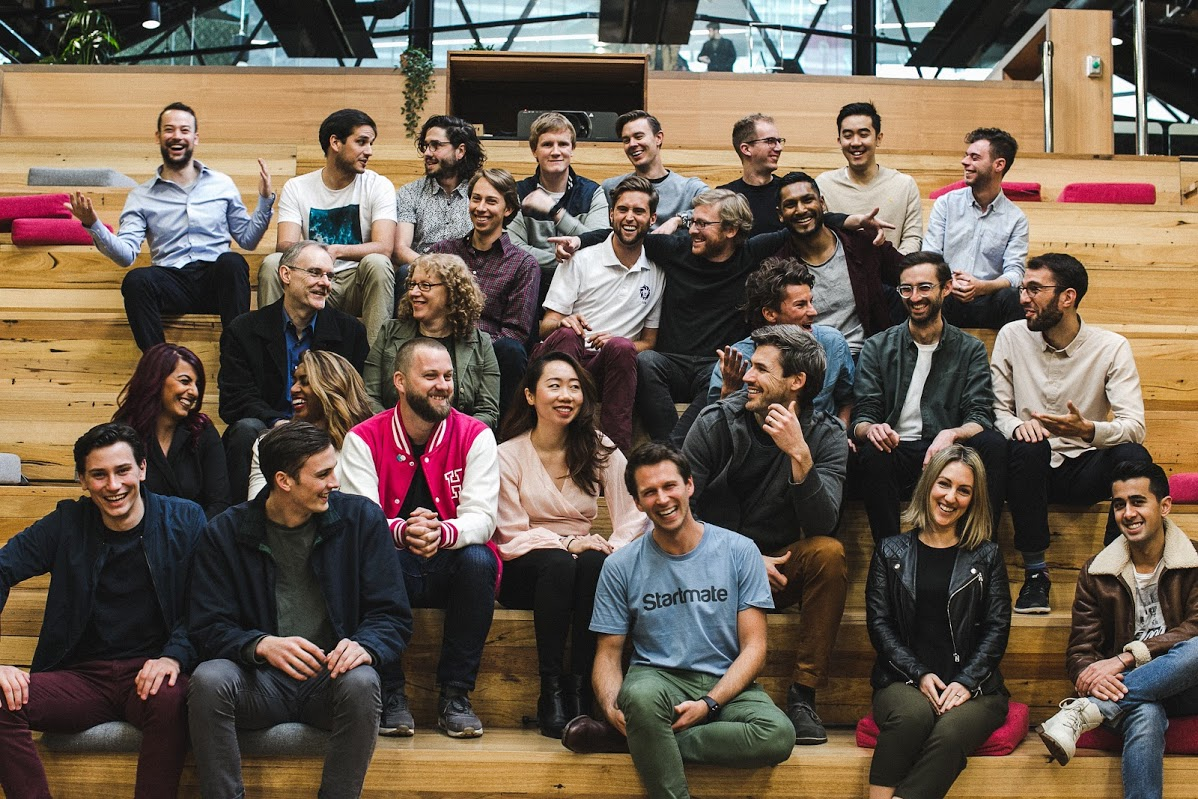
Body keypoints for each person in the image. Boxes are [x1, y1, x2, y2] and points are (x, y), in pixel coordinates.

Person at [187, 421, 412, 799]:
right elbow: (207, 625)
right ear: (284, 480)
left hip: (331, 679)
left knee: (363, 681)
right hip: (259, 681)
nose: (335, 483)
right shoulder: (224, 532)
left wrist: (365, 645)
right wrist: (259, 645)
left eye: (333, 470)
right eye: (322, 474)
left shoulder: (362, 519)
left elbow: (392, 614)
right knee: (209, 680)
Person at [563, 443, 795, 799]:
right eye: (649, 492)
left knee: (777, 735)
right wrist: (610, 709)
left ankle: (645, 741)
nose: (662, 499)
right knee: (639, 698)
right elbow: (608, 653)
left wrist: (709, 703)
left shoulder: (740, 551)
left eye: (669, 486)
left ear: (689, 485)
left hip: (726, 683)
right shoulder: (620, 566)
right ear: (637, 503)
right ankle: (645, 733)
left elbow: (755, 647)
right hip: (658, 681)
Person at [0, 423, 205, 799]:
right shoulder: (66, 523)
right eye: (99, 474)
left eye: (123, 470)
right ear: (82, 480)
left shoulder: (185, 519)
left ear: (142, 469)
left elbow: (204, 602)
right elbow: (2, 568)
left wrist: (174, 657)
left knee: (173, 697)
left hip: (151, 673)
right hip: (81, 678)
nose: (113, 485)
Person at [684, 324, 848, 744]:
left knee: (829, 553)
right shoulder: (716, 422)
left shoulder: (825, 434)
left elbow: (822, 524)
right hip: (711, 568)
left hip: (779, 570)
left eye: (761, 369)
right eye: (751, 366)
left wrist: (800, 454)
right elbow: (681, 513)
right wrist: (742, 559)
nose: (748, 377)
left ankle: (803, 696)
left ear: (797, 382)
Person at [340, 338, 500, 739]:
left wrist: (441, 532)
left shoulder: (476, 435)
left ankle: (456, 696)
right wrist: (403, 530)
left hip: (450, 567)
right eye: (430, 376)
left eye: (448, 376)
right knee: (363, 557)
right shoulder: (362, 438)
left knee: (480, 559)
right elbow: (360, 519)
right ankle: (390, 692)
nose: (443, 385)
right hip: (392, 566)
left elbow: (483, 518)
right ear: (399, 381)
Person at [494, 353, 647, 737]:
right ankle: (550, 690)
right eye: (555, 386)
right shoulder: (507, 454)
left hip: (582, 568)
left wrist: (612, 547)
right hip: (525, 566)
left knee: (596, 562)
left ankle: (580, 689)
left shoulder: (597, 446)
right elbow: (509, 534)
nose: (567, 395)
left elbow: (635, 510)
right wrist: (567, 543)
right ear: (531, 396)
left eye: (575, 387)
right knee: (561, 563)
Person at [991, 252, 1150, 614]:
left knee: (1134, 457)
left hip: (1083, 468)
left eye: (1034, 289)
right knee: (1027, 445)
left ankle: (1110, 570)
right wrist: (1019, 425)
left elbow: (1135, 427)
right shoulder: (1011, 335)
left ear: (1067, 297)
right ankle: (1035, 574)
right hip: (1030, 469)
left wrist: (1088, 430)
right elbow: (996, 410)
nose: (1023, 298)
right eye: (1022, 289)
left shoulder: (1111, 347)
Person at [1038, 461, 1198, 799]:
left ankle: (1089, 710)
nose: (1128, 513)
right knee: (1146, 713)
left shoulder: (1195, 561)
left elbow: (1195, 627)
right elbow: (1081, 652)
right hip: (1123, 692)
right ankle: (1100, 704)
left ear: (1165, 506)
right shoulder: (1097, 572)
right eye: (1119, 504)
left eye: (1138, 501)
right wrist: (1093, 678)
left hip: (1186, 686)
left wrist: (1126, 659)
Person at [66, 101, 275, 352]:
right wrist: (93, 224)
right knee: (136, 280)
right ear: (158, 137)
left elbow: (248, 240)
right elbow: (125, 256)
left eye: (184, 130)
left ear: (195, 138)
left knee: (232, 262)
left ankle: (236, 359)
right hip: (171, 283)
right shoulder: (140, 196)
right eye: (169, 129)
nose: (177, 136)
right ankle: (160, 364)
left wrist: (264, 200)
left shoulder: (222, 184)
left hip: (216, 282)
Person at [865, 445, 1011, 799]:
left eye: (964, 490)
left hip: (976, 688)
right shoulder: (889, 551)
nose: (950, 497)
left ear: (973, 500)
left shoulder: (987, 555)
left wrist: (966, 681)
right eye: (944, 484)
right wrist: (919, 674)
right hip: (902, 681)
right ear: (928, 484)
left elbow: (996, 629)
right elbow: (880, 625)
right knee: (912, 718)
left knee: (950, 732)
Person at [851, 251, 1007, 543]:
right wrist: (872, 429)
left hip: (947, 454)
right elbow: (863, 415)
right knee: (872, 452)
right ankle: (888, 553)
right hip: (896, 450)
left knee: (993, 444)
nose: (914, 297)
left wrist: (952, 434)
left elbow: (979, 414)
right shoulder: (877, 346)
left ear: (946, 288)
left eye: (924, 287)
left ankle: (982, 549)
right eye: (906, 289)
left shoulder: (970, 349)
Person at [219, 240, 369, 503]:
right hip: (269, 427)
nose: (325, 283)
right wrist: (278, 423)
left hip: (327, 428)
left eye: (329, 276)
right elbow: (235, 399)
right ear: (286, 275)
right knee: (245, 430)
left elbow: (353, 397)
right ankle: (240, 518)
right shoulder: (244, 330)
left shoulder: (350, 331)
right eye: (315, 273)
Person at [535, 176, 664, 452]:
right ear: (611, 214)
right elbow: (545, 327)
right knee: (568, 335)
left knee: (622, 347)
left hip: (610, 366)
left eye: (639, 211)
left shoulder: (657, 271)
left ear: (652, 218)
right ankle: (560, 442)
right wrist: (563, 322)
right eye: (623, 209)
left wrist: (617, 341)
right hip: (565, 358)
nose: (629, 217)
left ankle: (614, 457)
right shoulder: (580, 259)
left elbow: (649, 342)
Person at [257, 109, 396, 344]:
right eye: (361, 142)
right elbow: (284, 244)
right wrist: (318, 260)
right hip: (310, 278)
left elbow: (384, 247)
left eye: (370, 144)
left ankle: (374, 359)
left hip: (354, 283)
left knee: (378, 263)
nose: (369, 151)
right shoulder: (297, 187)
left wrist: (335, 251)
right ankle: (272, 350)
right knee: (273, 263)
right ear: (335, 143)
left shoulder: (378, 185)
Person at [429, 168, 540, 413]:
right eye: (476, 199)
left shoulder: (523, 264)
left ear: (508, 209)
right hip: (439, 344)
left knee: (512, 351)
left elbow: (515, 333)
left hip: (489, 353)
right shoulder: (443, 251)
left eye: (491, 201)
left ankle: (501, 431)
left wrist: (471, 347)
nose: (480, 208)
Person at [763, 171, 903, 357]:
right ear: (780, 214)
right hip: (811, 361)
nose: (801, 209)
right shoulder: (778, 267)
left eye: (807, 200)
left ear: (822, 203)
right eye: (791, 204)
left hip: (867, 357)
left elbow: (908, 272)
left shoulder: (862, 244)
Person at [707, 257, 854, 429]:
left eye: (811, 302)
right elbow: (715, 425)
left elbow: (848, 399)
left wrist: (841, 433)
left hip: (818, 440)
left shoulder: (832, 343)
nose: (813, 312)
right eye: (800, 305)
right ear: (770, 314)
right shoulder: (737, 361)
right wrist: (729, 391)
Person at [364, 252, 500, 427]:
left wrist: (449, 435)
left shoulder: (480, 343)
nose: (413, 292)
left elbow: (488, 412)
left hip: (456, 440)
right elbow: (369, 398)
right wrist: (399, 430)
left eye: (425, 285)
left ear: (452, 292)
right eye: (412, 284)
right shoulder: (389, 332)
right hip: (392, 436)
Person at [112, 342, 230, 519]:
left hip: (197, 532)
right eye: (185, 381)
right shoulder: (122, 435)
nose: (195, 392)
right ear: (156, 380)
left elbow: (220, 504)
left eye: (197, 384)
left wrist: (193, 532)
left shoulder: (202, 430)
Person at [924, 128, 1027, 329]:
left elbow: (1015, 273)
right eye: (966, 155)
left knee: (1013, 297)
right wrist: (950, 282)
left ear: (999, 165)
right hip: (946, 294)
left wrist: (983, 287)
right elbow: (930, 255)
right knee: (919, 290)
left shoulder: (1016, 218)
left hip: (987, 298)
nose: (964, 162)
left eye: (974, 157)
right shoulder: (946, 204)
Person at [507, 112, 609, 302]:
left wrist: (556, 212)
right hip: (529, 290)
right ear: (534, 151)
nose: (556, 151)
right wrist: (563, 261)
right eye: (547, 144)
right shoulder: (518, 192)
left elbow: (602, 247)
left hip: (583, 292)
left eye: (563, 144)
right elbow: (513, 248)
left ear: (572, 149)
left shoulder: (592, 192)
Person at [247, 349, 374, 499]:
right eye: (294, 381)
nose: (293, 389)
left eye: (305, 382)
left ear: (333, 388)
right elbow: (258, 505)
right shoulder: (270, 443)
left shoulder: (366, 443)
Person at [817, 101, 922, 254]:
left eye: (864, 134)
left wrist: (896, 264)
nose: (855, 142)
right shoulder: (823, 184)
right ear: (839, 141)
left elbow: (912, 238)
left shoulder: (904, 184)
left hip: (895, 267)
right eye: (848, 136)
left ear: (878, 138)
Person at [394, 115, 486, 267]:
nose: (427, 153)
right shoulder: (410, 193)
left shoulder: (481, 193)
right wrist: (437, 270)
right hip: (423, 271)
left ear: (460, 151)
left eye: (435, 145)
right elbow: (400, 249)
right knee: (405, 270)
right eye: (426, 146)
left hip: (470, 272)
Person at [599, 111, 707, 228]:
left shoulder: (690, 189)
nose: (632, 144)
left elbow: (715, 210)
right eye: (626, 140)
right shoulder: (611, 187)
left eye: (638, 137)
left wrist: (678, 220)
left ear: (658, 138)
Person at [718, 113, 785, 237]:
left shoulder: (788, 191)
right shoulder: (723, 197)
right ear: (746, 149)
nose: (779, 148)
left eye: (779, 141)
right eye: (770, 141)